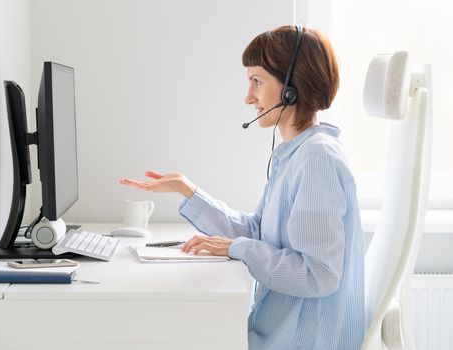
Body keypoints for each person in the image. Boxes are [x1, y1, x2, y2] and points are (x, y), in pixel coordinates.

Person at [120, 25, 365, 350]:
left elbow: (317, 275)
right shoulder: (294, 155)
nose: (248, 96)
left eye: (257, 82)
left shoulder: (316, 158)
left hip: (300, 339)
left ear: (293, 87)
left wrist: (237, 248)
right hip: (275, 331)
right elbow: (255, 231)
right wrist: (188, 191)